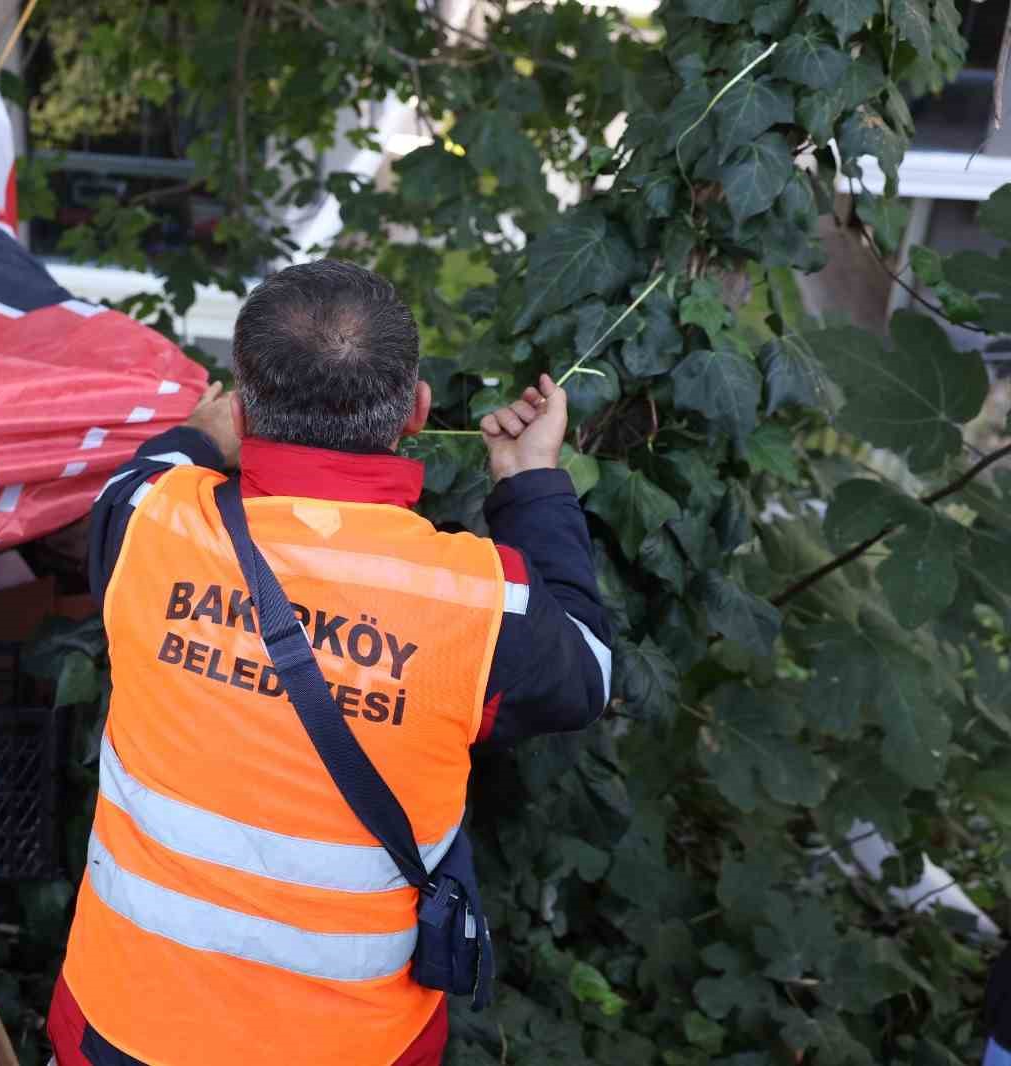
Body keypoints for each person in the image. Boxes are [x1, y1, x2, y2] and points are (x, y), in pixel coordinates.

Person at [47, 260, 611, 1066]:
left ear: (244, 410)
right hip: (353, 1046)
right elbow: (588, 671)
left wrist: (206, 434)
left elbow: (152, 469)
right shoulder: (480, 602)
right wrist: (533, 485)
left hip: (119, 1024)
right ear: (416, 412)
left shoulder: (148, 522)